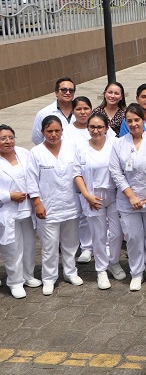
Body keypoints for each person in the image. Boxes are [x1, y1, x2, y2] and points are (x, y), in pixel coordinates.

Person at [109, 105, 146, 291]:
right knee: (133, 237)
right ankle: (136, 272)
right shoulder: (118, 143)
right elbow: (116, 172)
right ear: (126, 122)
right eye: (130, 120)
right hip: (128, 200)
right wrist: (131, 196)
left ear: (143, 120)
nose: (133, 124)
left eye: (137, 120)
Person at [26, 116, 83, 295]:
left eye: (57, 131)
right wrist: (37, 203)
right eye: (49, 131)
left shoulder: (70, 148)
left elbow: (78, 172)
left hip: (70, 203)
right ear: (42, 132)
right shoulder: (36, 153)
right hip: (47, 206)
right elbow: (31, 180)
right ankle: (49, 278)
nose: (53, 134)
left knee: (71, 242)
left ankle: (70, 272)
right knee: (50, 245)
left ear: (62, 132)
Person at [73, 113, 125, 290]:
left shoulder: (115, 143)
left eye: (99, 127)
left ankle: (114, 261)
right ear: (87, 128)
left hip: (114, 195)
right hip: (93, 197)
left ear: (106, 128)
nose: (96, 130)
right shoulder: (81, 148)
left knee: (117, 234)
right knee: (99, 235)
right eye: (92, 127)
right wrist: (87, 195)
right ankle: (101, 269)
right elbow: (76, 174)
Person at [0, 125, 41, 298]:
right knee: (12, 247)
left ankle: (28, 275)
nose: (8, 141)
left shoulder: (24, 153)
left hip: (27, 209)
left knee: (29, 245)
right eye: (3, 138)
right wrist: (9, 196)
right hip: (7, 210)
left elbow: (34, 176)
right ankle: (15, 281)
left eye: (10, 137)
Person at [31, 77, 75, 145]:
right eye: (64, 90)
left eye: (71, 90)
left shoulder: (82, 112)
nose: (68, 92)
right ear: (56, 93)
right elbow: (36, 138)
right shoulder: (43, 113)